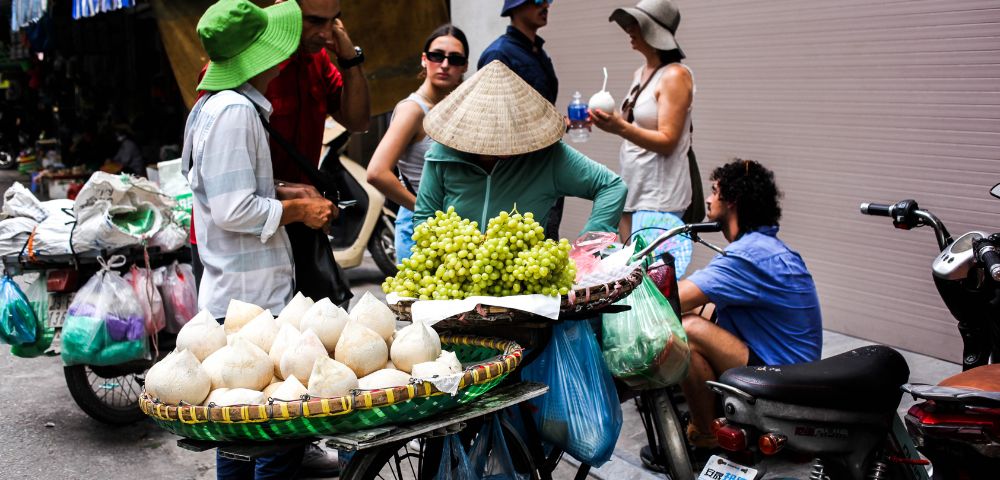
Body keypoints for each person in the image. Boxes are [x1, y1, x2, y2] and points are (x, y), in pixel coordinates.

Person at [182, 1, 336, 478]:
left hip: (240, 299)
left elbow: (223, 190)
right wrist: (299, 210)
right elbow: (231, 210)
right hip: (250, 306)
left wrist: (281, 190)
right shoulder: (234, 111)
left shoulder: (217, 105)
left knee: (241, 438)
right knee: (273, 443)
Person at [676, 159, 823, 449]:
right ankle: (714, 418)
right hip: (796, 372)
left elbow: (675, 297)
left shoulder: (748, 255)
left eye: (714, 191)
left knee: (687, 328)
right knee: (700, 312)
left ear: (732, 201)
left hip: (783, 383)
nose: (707, 198)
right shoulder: (764, 246)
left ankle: (706, 438)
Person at [413, 60, 626, 238]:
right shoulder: (441, 156)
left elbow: (612, 187)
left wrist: (590, 244)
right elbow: (425, 220)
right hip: (456, 279)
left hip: (526, 281)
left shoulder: (549, 157)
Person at [592, 0, 695, 277]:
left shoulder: (675, 75)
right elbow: (631, 126)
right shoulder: (641, 73)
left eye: (635, 24)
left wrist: (619, 128)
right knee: (634, 274)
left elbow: (668, 140)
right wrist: (605, 122)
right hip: (634, 190)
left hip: (659, 198)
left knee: (657, 279)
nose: (629, 30)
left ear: (653, 31)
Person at [366, 24, 469, 263]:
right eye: (436, 56)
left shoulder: (456, 108)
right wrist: (425, 211)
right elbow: (377, 172)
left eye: (454, 59)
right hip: (421, 231)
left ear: (464, 66)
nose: (444, 64)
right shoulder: (413, 110)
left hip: (454, 230)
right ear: (424, 60)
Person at [478, 0, 564, 240]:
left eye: (548, 0)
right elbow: (492, 124)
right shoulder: (499, 54)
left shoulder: (537, 51)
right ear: (515, 7)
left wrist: (560, 121)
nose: (545, 4)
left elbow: (540, 108)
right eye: (537, 0)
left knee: (547, 248)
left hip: (546, 165)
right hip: (518, 178)